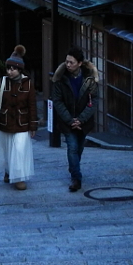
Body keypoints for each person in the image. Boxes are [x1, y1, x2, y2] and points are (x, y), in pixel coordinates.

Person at [0, 45, 37, 190]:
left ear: (20, 70)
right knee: (8, 149)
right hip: (5, 120)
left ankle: (19, 177)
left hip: (22, 122)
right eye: (8, 68)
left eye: (13, 69)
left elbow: (32, 105)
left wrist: (33, 125)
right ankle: (9, 172)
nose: (10, 71)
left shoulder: (28, 84)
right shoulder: (2, 82)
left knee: (20, 149)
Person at [50, 46, 98, 192]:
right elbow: (57, 101)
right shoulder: (60, 79)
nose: (68, 65)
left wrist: (81, 120)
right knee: (72, 147)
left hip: (83, 121)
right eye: (67, 62)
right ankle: (76, 178)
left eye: (71, 62)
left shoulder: (89, 79)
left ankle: (73, 169)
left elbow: (93, 101)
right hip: (67, 120)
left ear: (80, 63)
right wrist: (71, 120)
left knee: (79, 148)